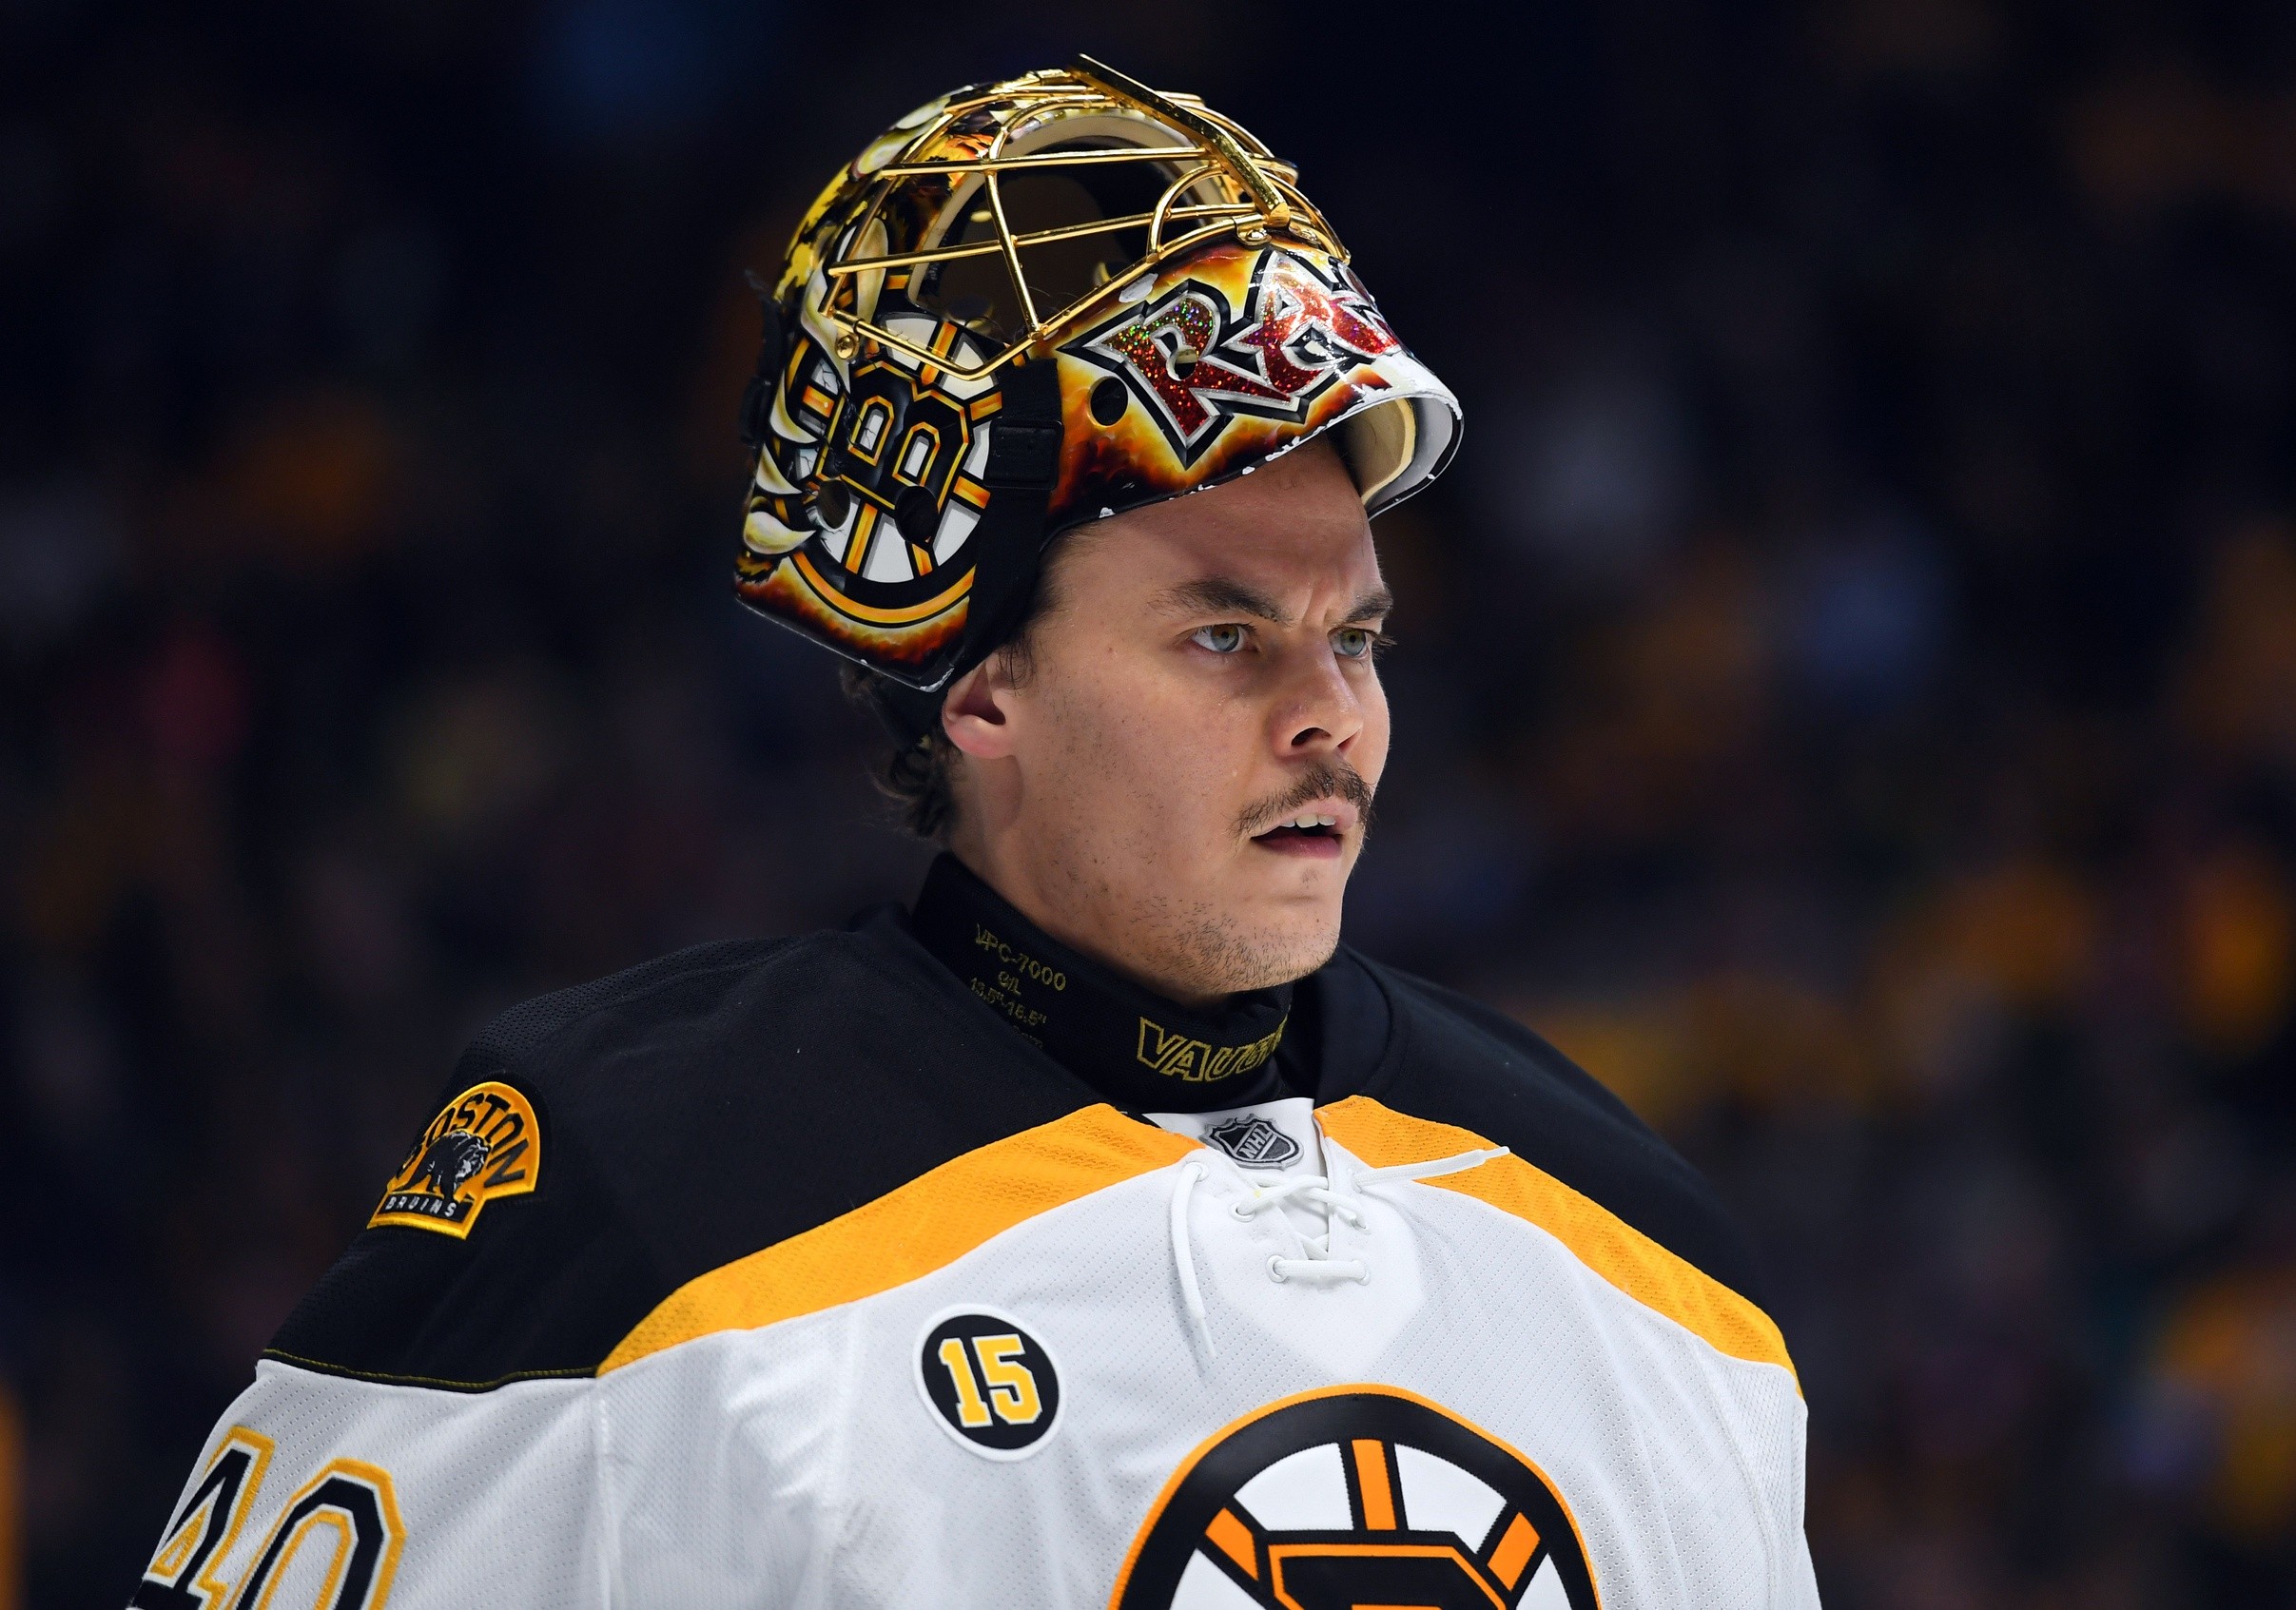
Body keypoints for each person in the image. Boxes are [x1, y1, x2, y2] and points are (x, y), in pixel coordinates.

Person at [132, 59, 1818, 1610]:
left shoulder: (1650, 1251)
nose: (1332, 717)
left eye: (1355, 637)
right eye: (1223, 635)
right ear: (981, 686)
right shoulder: (641, 1189)